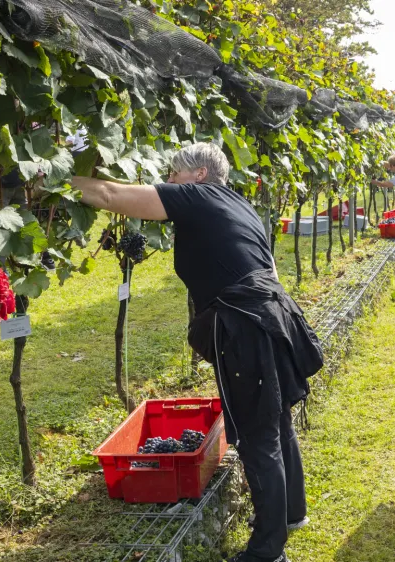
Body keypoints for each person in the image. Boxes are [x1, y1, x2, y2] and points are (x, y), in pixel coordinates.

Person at [70, 143, 322, 562]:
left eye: (174, 173)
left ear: (200, 174)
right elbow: (270, 268)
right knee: (276, 420)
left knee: (257, 436)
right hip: (274, 315)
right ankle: (291, 514)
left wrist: (56, 180)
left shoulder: (197, 196)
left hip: (246, 326)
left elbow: (111, 195)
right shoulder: (239, 203)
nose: (169, 180)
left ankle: (267, 551)